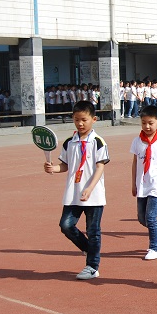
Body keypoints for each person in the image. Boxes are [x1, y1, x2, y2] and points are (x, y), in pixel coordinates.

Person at [44, 101, 110, 280]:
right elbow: (64, 166)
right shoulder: (69, 143)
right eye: (76, 120)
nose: (80, 124)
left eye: (84, 120)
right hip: (73, 194)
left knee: (93, 230)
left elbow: (100, 167)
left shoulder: (98, 142)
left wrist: (89, 188)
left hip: (93, 195)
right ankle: (90, 250)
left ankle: (92, 266)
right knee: (65, 225)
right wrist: (53, 168)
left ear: (93, 120)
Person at [131, 106, 157, 260]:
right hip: (142, 184)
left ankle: (153, 248)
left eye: (150, 123)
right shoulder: (137, 141)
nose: (147, 127)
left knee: (150, 217)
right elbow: (135, 163)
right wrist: (133, 184)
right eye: (143, 123)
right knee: (142, 219)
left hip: (156, 184)